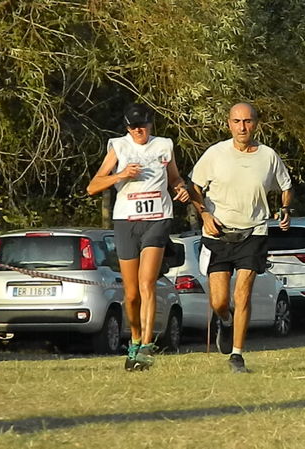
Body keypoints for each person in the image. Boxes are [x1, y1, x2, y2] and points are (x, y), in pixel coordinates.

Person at [190, 102, 293, 373]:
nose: (242, 127)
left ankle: (237, 355)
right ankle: (224, 319)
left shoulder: (268, 156)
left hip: (254, 231)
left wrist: (285, 209)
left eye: (247, 121)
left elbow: (286, 186)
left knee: (243, 292)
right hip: (217, 233)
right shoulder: (215, 154)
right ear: (228, 124)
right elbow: (195, 187)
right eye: (237, 121)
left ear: (256, 124)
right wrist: (205, 216)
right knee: (219, 301)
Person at [87, 102, 189, 371]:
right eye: (133, 127)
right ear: (127, 127)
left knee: (147, 284)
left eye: (142, 126)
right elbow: (93, 186)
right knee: (131, 294)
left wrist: (181, 189)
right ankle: (133, 338)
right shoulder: (118, 146)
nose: (138, 131)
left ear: (150, 123)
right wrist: (121, 175)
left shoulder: (164, 146)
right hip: (126, 222)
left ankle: (145, 345)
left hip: (158, 219)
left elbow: (175, 178)